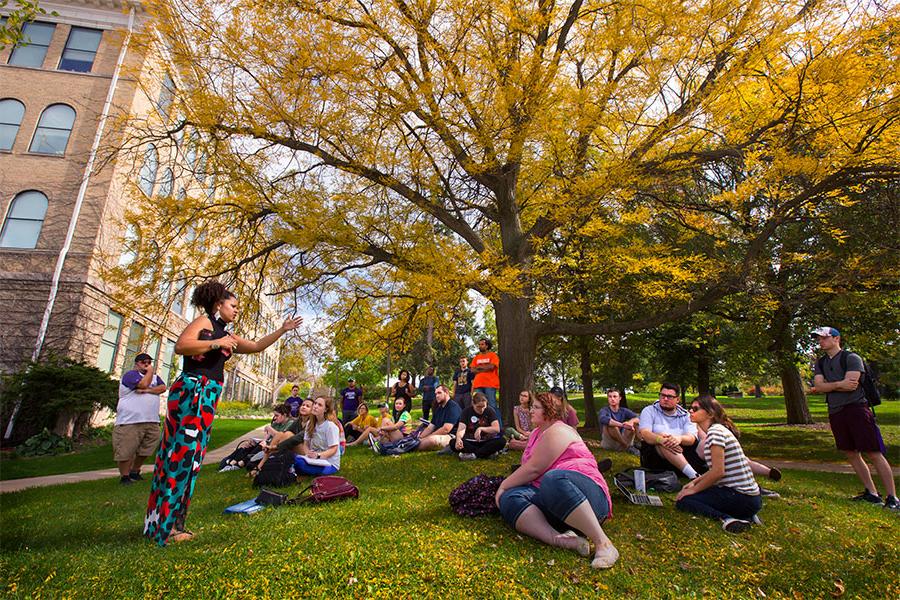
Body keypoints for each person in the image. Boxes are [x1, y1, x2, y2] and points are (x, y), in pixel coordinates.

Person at [144, 280, 301, 546]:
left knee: (191, 460)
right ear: (218, 304)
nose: (237, 310)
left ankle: (170, 525)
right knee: (180, 458)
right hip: (193, 393)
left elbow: (257, 346)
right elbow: (182, 346)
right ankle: (164, 529)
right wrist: (218, 343)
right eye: (234, 305)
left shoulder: (223, 332)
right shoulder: (204, 324)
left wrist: (282, 330)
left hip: (206, 397)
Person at [496, 392, 618, 569]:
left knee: (552, 478)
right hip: (557, 504)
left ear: (550, 411)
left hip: (589, 499)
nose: (531, 411)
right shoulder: (536, 434)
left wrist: (503, 485)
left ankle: (603, 543)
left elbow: (534, 469)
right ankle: (562, 540)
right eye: (532, 407)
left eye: (536, 407)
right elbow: (529, 472)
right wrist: (507, 490)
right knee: (510, 497)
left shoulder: (558, 430)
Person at [810, 327, 898, 510]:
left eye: (824, 338)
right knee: (850, 452)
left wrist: (829, 386)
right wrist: (838, 384)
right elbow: (818, 386)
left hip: (856, 409)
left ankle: (892, 497)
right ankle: (872, 493)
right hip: (835, 411)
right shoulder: (821, 363)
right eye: (818, 339)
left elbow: (851, 385)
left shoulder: (851, 358)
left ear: (836, 339)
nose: (820, 342)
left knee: (873, 452)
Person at [675, 396, 762, 533]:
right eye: (690, 408)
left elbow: (718, 472)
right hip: (750, 497)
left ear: (710, 413)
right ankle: (746, 515)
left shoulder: (715, 433)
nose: (690, 411)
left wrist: (693, 490)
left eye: (695, 409)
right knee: (695, 494)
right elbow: (716, 470)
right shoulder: (717, 430)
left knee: (684, 501)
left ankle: (727, 519)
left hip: (741, 496)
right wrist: (695, 482)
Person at [114, 353, 167, 485]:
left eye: (149, 362)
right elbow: (143, 384)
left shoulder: (155, 377)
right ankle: (124, 477)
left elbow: (163, 388)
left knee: (147, 448)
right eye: (143, 362)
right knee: (127, 450)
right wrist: (149, 374)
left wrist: (147, 391)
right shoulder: (130, 375)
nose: (147, 364)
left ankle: (135, 471)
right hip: (130, 421)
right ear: (137, 363)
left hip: (151, 420)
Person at [638, 383, 707, 479]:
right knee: (664, 438)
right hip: (656, 458)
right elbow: (645, 434)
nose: (665, 399)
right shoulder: (649, 411)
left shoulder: (686, 415)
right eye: (663, 395)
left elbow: (691, 438)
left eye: (669, 396)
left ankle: (717, 472)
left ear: (677, 399)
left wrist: (679, 438)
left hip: (685, 453)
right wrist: (660, 439)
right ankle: (694, 476)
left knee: (707, 442)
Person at [294, 396, 341, 475]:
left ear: (325, 409)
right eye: (315, 403)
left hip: (329, 464)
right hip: (313, 460)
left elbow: (333, 449)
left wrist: (318, 455)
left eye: (320, 405)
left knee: (298, 463)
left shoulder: (330, 426)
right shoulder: (310, 423)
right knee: (292, 457)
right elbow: (306, 444)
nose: (315, 406)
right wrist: (308, 453)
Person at [452, 391, 506, 460]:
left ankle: (474, 455)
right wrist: (458, 439)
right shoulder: (466, 411)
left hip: (486, 441)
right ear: (473, 404)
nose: (481, 410)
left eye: (483, 407)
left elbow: (496, 428)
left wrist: (481, 429)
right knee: (453, 443)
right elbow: (461, 429)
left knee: (502, 441)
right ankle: (486, 453)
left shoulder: (490, 410)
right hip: (470, 441)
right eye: (478, 407)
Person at [418, 385, 462, 451]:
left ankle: (410, 447)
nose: (437, 396)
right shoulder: (439, 409)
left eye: (439, 393)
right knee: (421, 435)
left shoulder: (453, 407)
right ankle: (411, 444)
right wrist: (420, 437)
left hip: (451, 436)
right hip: (439, 434)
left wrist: (428, 437)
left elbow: (446, 429)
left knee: (432, 440)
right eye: (436, 394)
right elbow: (430, 427)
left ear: (446, 393)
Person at [598, 389, 640, 456]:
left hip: (623, 437)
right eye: (610, 396)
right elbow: (603, 419)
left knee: (635, 422)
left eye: (615, 396)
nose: (612, 399)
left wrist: (630, 422)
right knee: (611, 425)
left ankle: (641, 444)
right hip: (610, 443)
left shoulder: (623, 410)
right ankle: (627, 447)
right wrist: (622, 425)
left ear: (620, 398)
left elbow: (639, 417)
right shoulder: (604, 410)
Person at [471, 338, 501, 427]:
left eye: (482, 344)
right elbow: (472, 370)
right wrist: (485, 367)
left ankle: (498, 427)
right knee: (479, 406)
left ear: (487, 346)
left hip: (490, 384)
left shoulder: (493, 355)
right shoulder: (476, 357)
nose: (480, 346)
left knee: (492, 406)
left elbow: (492, 367)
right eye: (479, 344)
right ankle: (482, 426)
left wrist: (479, 368)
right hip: (478, 384)